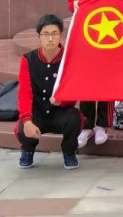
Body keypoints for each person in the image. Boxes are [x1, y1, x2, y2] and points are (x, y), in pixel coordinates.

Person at [67, 0, 123, 148]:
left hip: (109, 37)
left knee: (106, 78)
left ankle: (102, 124)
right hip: (85, 36)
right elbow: (71, 1)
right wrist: (75, 5)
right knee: (86, 79)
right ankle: (86, 125)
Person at [16, 14, 82, 170]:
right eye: (46, 34)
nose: (50, 39)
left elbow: (75, 89)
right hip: (38, 110)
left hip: (61, 112)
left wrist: (63, 100)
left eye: (54, 33)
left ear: (60, 35)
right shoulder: (28, 59)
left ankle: (69, 152)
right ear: (39, 37)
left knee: (75, 118)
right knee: (23, 125)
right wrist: (27, 120)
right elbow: (24, 92)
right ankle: (27, 150)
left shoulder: (69, 58)